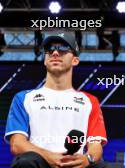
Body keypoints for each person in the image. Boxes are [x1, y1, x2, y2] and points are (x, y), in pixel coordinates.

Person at [5, 31, 107, 168]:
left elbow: (95, 145)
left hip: (75, 164)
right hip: (40, 163)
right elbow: (17, 144)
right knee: (25, 161)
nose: (55, 53)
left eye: (63, 49)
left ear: (75, 60)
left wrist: (87, 158)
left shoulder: (90, 101)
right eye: (49, 50)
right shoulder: (23, 98)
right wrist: (49, 157)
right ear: (45, 59)